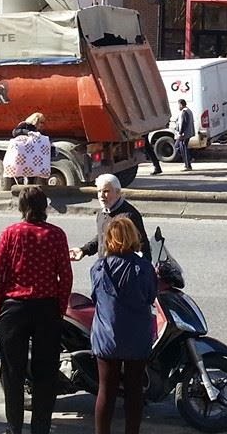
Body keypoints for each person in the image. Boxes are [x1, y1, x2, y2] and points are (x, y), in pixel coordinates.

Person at [0, 186, 73, 434]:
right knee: (45, 371)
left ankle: (14, 426)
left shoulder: (11, 233)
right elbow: (65, 275)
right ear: (44, 207)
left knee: (12, 371)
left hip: (13, 309)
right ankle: (41, 428)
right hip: (47, 307)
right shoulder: (56, 235)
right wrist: (59, 307)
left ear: (21, 207)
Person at [90, 218, 157, 434]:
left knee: (106, 391)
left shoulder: (99, 268)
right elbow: (150, 297)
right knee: (134, 390)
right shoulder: (144, 268)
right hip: (136, 337)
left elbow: (96, 297)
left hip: (107, 336)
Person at [70, 174, 151, 262]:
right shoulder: (102, 212)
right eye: (99, 191)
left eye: (106, 191)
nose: (101, 195)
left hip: (121, 271)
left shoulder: (129, 217)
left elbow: (143, 246)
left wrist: (144, 271)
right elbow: (103, 236)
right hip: (105, 269)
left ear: (117, 192)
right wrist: (84, 250)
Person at [4, 112, 51, 186]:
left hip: (32, 153)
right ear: (35, 120)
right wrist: (28, 133)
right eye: (41, 122)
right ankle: (20, 183)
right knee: (20, 167)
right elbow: (14, 132)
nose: (42, 125)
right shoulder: (25, 124)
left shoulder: (38, 130)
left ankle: (30, 183)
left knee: (32, 168)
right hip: (22, 152)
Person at [174, 98, 195, 171]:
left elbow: (183, 123)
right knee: (179, 147)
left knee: (182, 148)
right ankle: (189, 160)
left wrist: (180, 133)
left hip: (184, 134)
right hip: (187, 133)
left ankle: (188, 164)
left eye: (178, 105)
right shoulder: (188, 110)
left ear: (181, 104)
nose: (178, 107)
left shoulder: (184, 112)